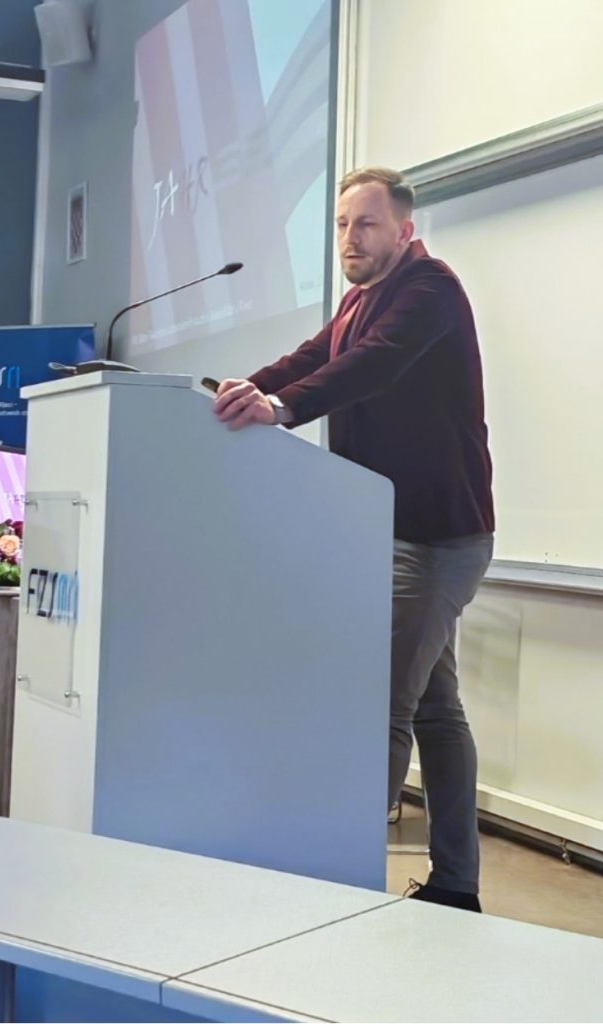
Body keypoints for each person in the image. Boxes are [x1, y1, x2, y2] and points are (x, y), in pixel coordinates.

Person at [213, 166, 495, 912]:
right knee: (435, 711)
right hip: (390, 534)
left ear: (403, 230)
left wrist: (279, 408)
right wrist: (230, 391)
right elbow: (313, 358)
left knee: (382, 709)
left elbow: (373, 365)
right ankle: (457, 884)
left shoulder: (429, 288)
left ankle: (341, 895)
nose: (349, 238)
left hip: (436, 540)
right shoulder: (357, 300)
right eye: (341, 224)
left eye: (366, 224)